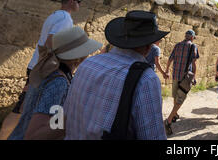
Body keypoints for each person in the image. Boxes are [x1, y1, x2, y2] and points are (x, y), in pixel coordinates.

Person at [63, 10, 169, 140]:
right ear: (148, 47)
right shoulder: (146, 79)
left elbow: (67, 113)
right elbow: (153, 136)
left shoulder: (88, 63)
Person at [0, 0, 81, 140]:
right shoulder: (65, 19)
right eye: (78, 2)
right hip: (45, 68)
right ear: (72, 1)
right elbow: (51, 41)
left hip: (37, 66)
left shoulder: (54, 15)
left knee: (25, 108)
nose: (79, 5)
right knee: (22, 111)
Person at [8, 26, 102, 140]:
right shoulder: (59, 82)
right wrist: (74, 117)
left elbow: (46, 117)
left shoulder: (46, 71)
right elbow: (34, 135)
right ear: (77, 58)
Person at [163, 30, 199, 135]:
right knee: (180, 99)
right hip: (185, 77)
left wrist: (166, 70)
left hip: (175, 75)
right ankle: (168, 121)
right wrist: (194, 76)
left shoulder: (178, 45)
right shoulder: (193, 46)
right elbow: (194, 63)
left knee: (175, 96)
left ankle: (175, 114)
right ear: (192, 37)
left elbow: (170, 58)